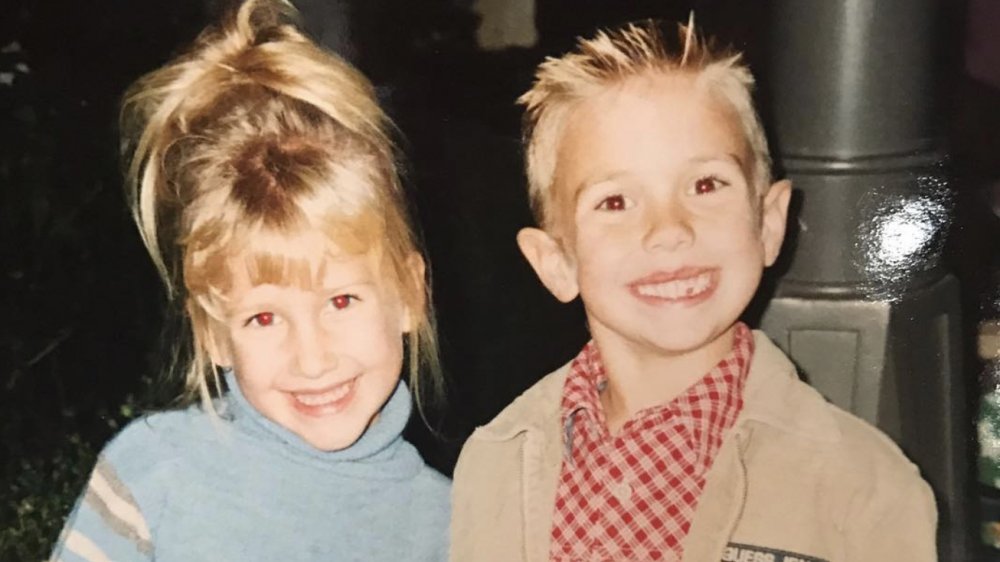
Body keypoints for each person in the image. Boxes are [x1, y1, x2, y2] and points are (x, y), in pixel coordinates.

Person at [450, 20, 937, 562]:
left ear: (769, 223)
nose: (669, 230)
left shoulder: (866, 488)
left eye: (706, 185)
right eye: (615, 202)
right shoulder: (495, 463)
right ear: (556, 263)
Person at [49, 0, 450, 559]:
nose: (312, 360)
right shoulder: (155, 472)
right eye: (263, 317)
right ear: (213, 333)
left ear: (411, 292)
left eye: (341, 301)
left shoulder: (451, 526)